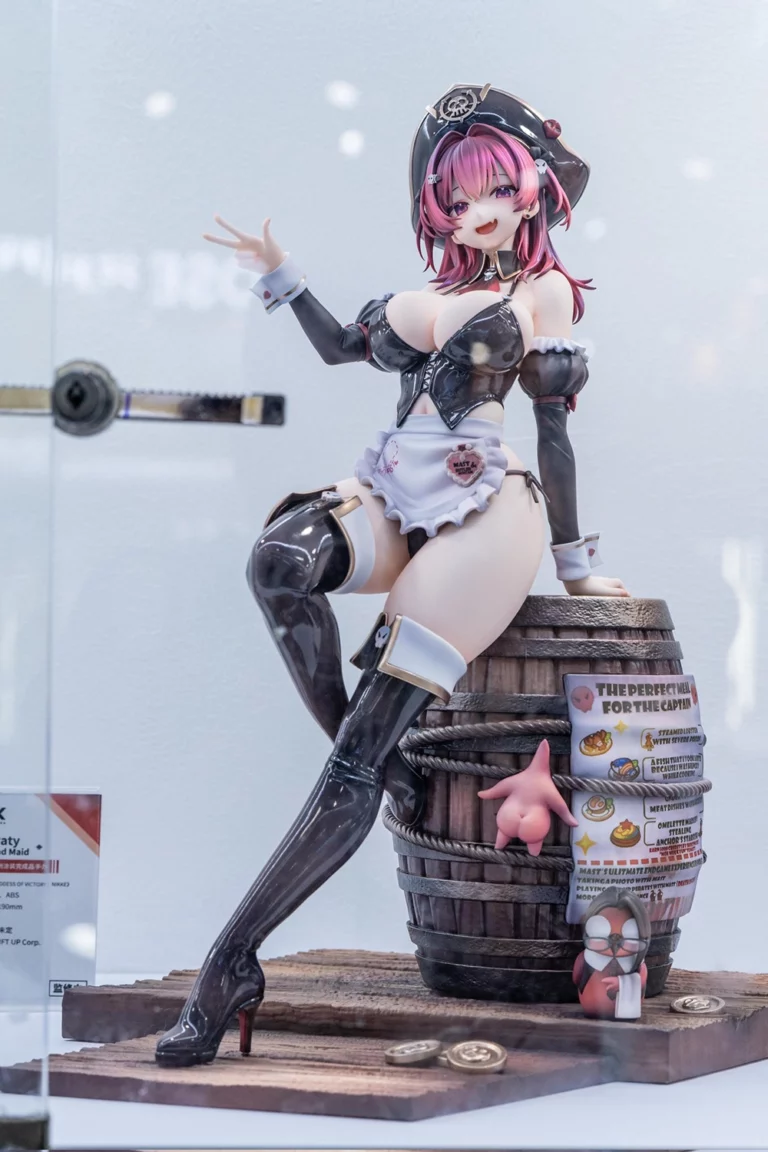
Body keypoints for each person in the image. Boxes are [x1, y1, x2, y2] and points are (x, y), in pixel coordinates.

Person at [155, 83, 628, 1067]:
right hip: (396, 483)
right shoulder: (430, 296)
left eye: (493, 189)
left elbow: (551, 425)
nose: (474, 210)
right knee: (279, 561)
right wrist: (283, 274)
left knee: (352, 766)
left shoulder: (540, 296)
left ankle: (230, 962)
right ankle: (381, 760)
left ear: (533, 189)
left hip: (488, 509)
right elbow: (342, 347)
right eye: (455, 196)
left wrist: (577, 567)